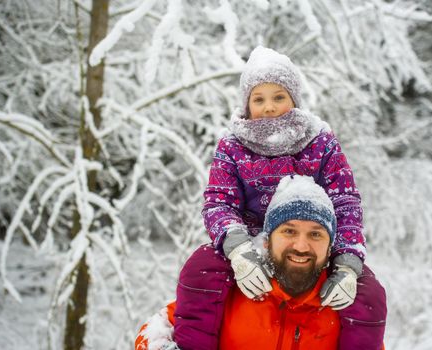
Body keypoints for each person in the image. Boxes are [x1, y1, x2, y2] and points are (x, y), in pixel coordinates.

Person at [175, 46, 386, 349]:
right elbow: (219, 201)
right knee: (203, 268)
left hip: (308, 235)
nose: (269, 107)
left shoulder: (319, 140)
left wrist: (347, 263)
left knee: (368, 293)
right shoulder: (233, 144)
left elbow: (344, 201)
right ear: (246, 104)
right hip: (250, 240)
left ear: (294, 100)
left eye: (279, 97)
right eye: (258, 99)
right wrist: (236, 248)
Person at [136, 175, 386, 349]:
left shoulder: (346, 310)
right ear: (266, 241)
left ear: (330, 247)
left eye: (315, 234)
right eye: (289, 231)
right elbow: (155, 328)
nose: (301, 245)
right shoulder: (225, 292)